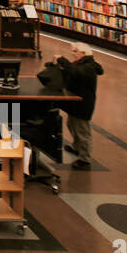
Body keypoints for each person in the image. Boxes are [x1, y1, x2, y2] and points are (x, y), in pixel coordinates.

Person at [46, 42, 104, 170]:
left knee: (82, 131)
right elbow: (70, 72)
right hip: (75, 102)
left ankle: (85, 159)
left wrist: (62, 59)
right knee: (71, 124)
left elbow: (77, 73)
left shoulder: (89, 67)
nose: (73, 53)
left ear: (84, 53)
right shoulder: (80, 63)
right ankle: (76, 148)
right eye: (72, 51)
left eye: (75, 51)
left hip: (83, 104)